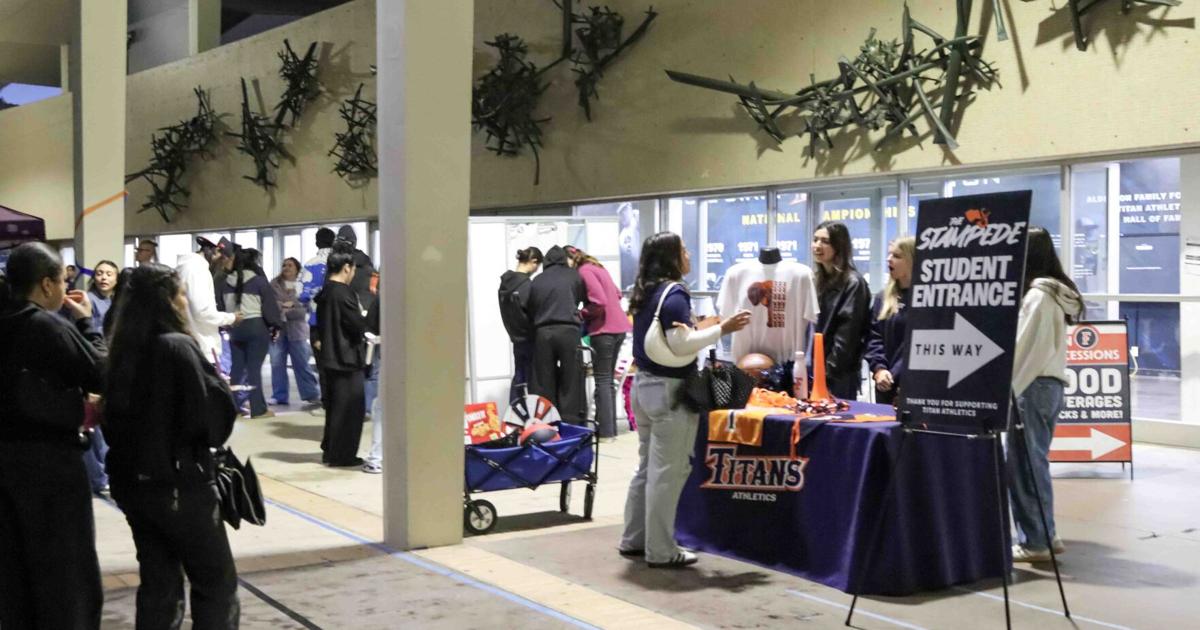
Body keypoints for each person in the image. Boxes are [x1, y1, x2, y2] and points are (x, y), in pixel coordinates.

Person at [103, 263, 240, 628]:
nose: (185, 301)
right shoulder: (178, 346)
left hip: (134, 485)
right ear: (166, 300)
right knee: (215, 583)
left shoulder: (122, 348)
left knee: (159, 584)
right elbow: (211, 420)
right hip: (180, 484)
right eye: (180, 293)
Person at [619, 232, 750, 568]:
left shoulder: (645, 292)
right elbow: (681, 344)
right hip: (669, 391)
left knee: (647, 467)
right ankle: (662, 550)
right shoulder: (674, 294)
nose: (689, 254)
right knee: (668, 471)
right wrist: (724, 328)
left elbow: (672, 335)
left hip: (642, 387)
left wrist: (702, 327)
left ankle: (633, 539)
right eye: (684, 250)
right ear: (671, 257)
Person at [0, 242, 105, 629]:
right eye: (62, 280)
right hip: (50, 463)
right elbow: (99, 370)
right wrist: (85, 322)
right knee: (66, 568)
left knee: (15, 568)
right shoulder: (46, 325)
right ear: (46, 284)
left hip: (7, 462)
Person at [1009, 226, 1083, 563]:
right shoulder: (1056, 294)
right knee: (1035, 462)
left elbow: (1025, 350)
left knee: (1023, 466)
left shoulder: (1038, 297)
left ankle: (1034, 540)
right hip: (1049, 387)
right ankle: (1046, 533)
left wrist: (1007, 389)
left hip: (1031, 386)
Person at [568, 245, 633, 439]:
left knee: (603, 381)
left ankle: (605, 432)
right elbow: (617, 294)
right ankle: (609, 429)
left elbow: (599, 301)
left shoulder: (584, 271)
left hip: (604, 330)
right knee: (608, 382)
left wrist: (581, 314)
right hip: (619, 328)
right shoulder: (597, 267)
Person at [315, 241, 368, 467]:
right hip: (346, 360)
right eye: (353, 269)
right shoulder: (344, 294)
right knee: (350, 410)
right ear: (346, 267)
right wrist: (366, 321)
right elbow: (356, 325)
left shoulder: (325, 292)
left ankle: (330, 451)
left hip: (329, 358)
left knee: (335, 409)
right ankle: (343, 455)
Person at [219, 247, 284, 418]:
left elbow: (220, 307)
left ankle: (235, 408)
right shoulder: (259, 282)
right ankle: (258, 409)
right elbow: (270, 309)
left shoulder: (225, 282)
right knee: (254, 369)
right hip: (256, 327)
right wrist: (276, 326)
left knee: (237, 369)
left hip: (234, 327)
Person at [526, 245, 588, 423]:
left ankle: (546, 419)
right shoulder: (573, 276)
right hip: (569, 330)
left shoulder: (537, 280)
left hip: (543, 332)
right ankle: (571, 420)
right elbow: (581, 299)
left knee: (543, 378)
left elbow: (531, 308)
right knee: (572, 376)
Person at [811, 221, 871, 400]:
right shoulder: (817, 280)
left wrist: (827, 374)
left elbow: (847, 337)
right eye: (815, 240)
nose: (817, 245)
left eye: (825, 241)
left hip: (837, 374)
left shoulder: (853, 282)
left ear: (839, 246)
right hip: (816, 369)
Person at [80, 259, 121, 496]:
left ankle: (103, 473)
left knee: (105, 423)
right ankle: (98, 477)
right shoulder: (87, 301)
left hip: (111, 366)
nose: (104, 277)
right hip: (94, 367)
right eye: (99, 273)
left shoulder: (117, 303)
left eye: (109, 274)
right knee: (93, 426)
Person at [864, 237, 914, 405]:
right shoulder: (883, 297)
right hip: (885, 384)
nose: (889, 259)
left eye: (897, 255)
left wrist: (896, 373)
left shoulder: (926, 298)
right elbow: (873, 337)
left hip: (913, 386)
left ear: (912, 260)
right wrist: (879, 369)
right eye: (889, 254)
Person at [177, 237, 241, 363]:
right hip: (201, 347)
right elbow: (202, 312)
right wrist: (231, 318)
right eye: (223, 260)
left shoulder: (183, 268)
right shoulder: (198, 271)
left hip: (189, 343)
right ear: (217, 251)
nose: (222, 266)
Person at [270, 257, 321, 406]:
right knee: (277, 363)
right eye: (284, 265)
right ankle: (279, 395)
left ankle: (311, 393)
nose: (286, 267)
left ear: (297, 268)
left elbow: (304, 308)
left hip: (298, 330)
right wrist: (289, 306)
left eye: (290, 265)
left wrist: (289, 308)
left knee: (301, 363)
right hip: (278, 329)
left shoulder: (304, 284)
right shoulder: (274, 284)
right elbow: (272, 304)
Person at [498, 246, 542, 404]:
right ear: (533, 262)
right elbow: (533, 312)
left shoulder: (505, 284)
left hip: (516, 337)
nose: (536, 270)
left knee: (519, 376)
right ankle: (531, 416)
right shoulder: (526, 285)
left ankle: (514, 416)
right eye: (537, 266)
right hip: (530, 337)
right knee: (532, 379)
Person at [300, 227, 336, 415]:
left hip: (318, 320)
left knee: (323, 364)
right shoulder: (341, 262)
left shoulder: (311, 264)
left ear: (317, 242)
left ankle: (327, 404)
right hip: (339, 321)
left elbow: (302, 294)